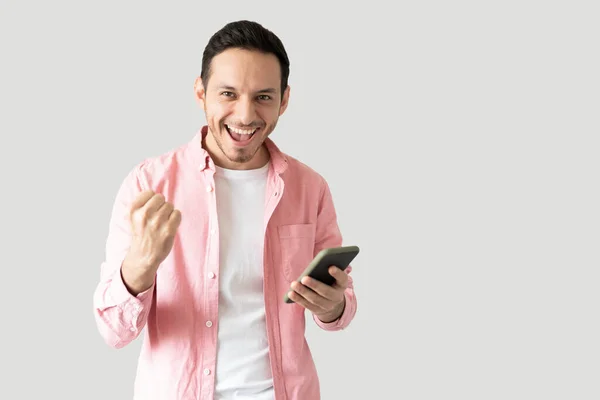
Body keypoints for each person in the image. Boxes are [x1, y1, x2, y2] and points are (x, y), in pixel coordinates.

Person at [92, 20, 357, 400]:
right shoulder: (148, 185)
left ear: (284, 100)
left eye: (263, 97)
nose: (246, 115)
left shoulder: (310, 187)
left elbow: (341, 305)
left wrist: (333, 306)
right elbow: (113, 332)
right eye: (228, 94)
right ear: (201, 93)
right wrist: (140, 267)